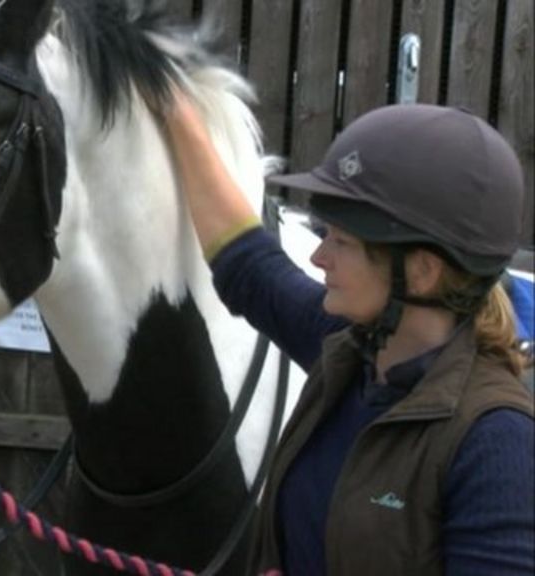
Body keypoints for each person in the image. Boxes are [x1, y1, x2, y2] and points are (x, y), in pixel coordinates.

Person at [164, 96, 534, 575]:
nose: (319, 258)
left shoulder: (497, 441)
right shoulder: (347, 353)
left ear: (421, 272)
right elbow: (248, 267)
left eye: (341, 241)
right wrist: (176, 110)